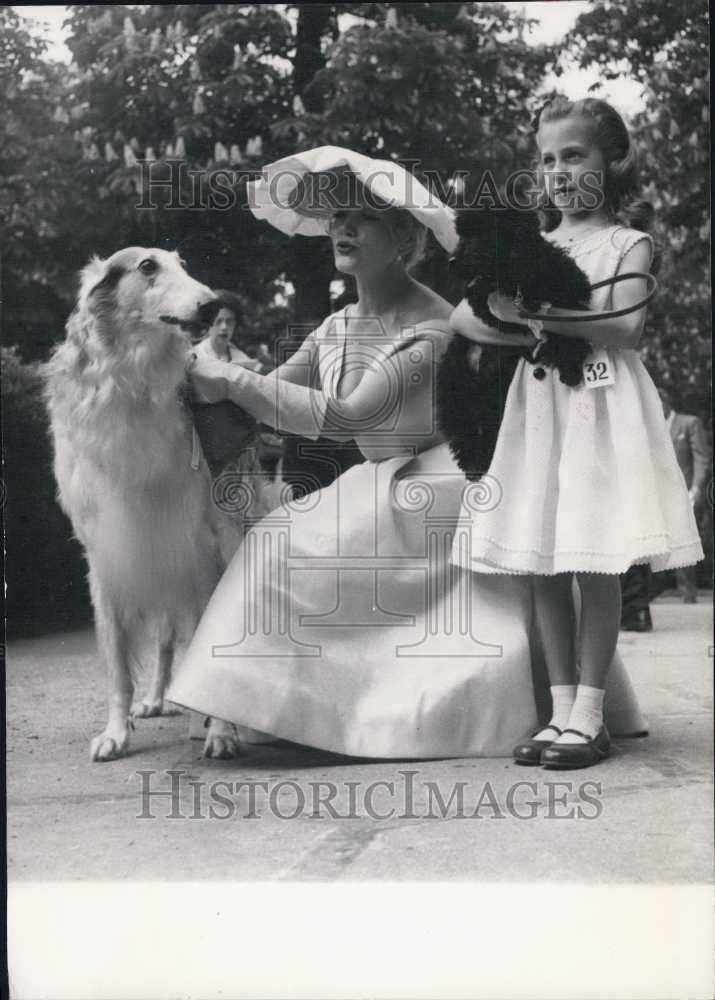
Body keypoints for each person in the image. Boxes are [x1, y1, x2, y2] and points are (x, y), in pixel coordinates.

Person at [166, 145, 647, 761]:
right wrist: (191, 374)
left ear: (405, 240)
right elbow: (273, 392)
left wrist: (231, 381)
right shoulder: (337, 324)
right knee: (277, 536)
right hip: (381, 477)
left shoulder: (434, 324)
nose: (342, 227)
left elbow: (348, 416)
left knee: (307, 538)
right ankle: (275, 705)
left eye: (361, 218)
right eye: (338, 217)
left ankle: (388, 713)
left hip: (444, 480)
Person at [453, 98, 703, 769]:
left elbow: (623, 327)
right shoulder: (536, 244)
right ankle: (558, 709)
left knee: (590, 557)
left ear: (610, 161)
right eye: (545, 160)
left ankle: (591, 712)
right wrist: (510, 316)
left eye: (574, 156)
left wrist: (533, 315)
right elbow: (467, 317)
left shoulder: (627, 243)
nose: (558, 172)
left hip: (598, 406)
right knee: (542, 561)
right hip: (537, 410)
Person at [657, 386, 710, 602]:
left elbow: (701, 458)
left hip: (685, 492)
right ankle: (658, 590)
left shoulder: (689, 423)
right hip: (658, 493)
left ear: (666, 402)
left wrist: (696, 488)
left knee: (684, 539)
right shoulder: (650, 428)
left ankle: (688, 592)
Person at [194, 290, 261, 369]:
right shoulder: (196, 356)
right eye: (218, 321)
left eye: (229, 321)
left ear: (235, 323)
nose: (224, 327)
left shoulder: (242, 359)